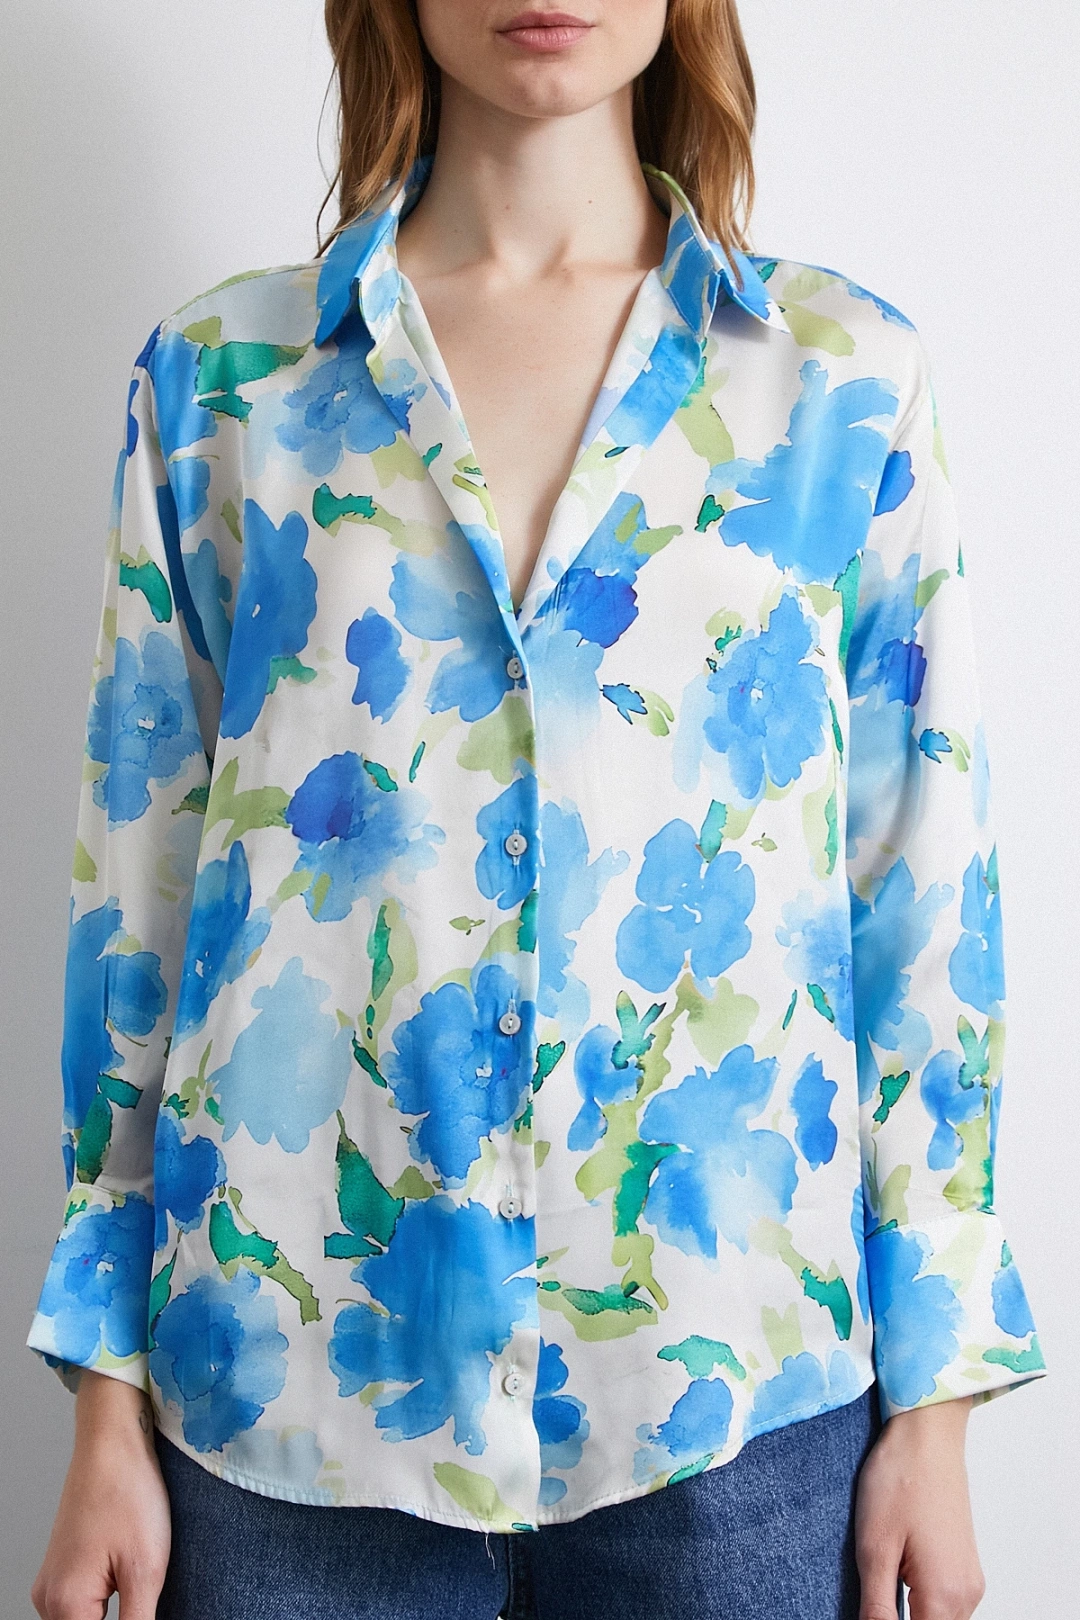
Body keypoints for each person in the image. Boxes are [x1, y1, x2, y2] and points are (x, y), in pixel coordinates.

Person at [27, 2, 1046, 1617]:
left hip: (731, 1411)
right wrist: (101, 1399)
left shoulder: (838, 380)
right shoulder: (226, 384)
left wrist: (937, 1409)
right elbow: (138, 892)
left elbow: (917, 890)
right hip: (286, 1403)